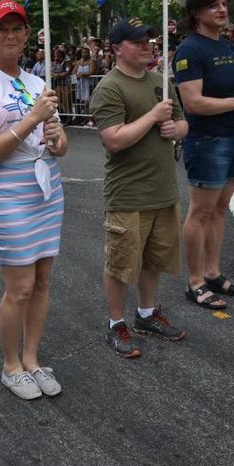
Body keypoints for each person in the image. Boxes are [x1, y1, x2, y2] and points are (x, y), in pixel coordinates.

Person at [0, 0, 69, 400]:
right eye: (1, 29)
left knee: (42, 280)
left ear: (26, 35)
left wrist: (57, 141)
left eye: (17, 28)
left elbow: (60, 144)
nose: (10, 35)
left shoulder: (38, 83)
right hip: (9, 193)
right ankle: (11, 366)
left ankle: (33, 359)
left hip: (46, 188)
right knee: (19, 286)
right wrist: (32, 119)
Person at [90, 23, 189, 359]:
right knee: (121, 264)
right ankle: (116, 323)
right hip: (128, 193)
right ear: (117, 48)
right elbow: (114, 140)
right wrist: (153, 117)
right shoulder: (109, 88)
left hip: (163, 190)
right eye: (137, 42)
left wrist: (175, 127)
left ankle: (147, 314)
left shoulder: (161, 81)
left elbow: (183, 123)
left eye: (148, 41)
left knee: (153, 259)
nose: (147, 46)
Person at [174, 0, 234, 309]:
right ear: (196, 12)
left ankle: (212, 272)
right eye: (214, 5)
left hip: (232, 136)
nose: (222, 9)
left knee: (220, 210)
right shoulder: (190, 49)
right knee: (200, 211)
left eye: (224, 3)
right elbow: (193, 103)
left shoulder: (226, 46)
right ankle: (195, 280)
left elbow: (227, 92)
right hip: (207, 140)